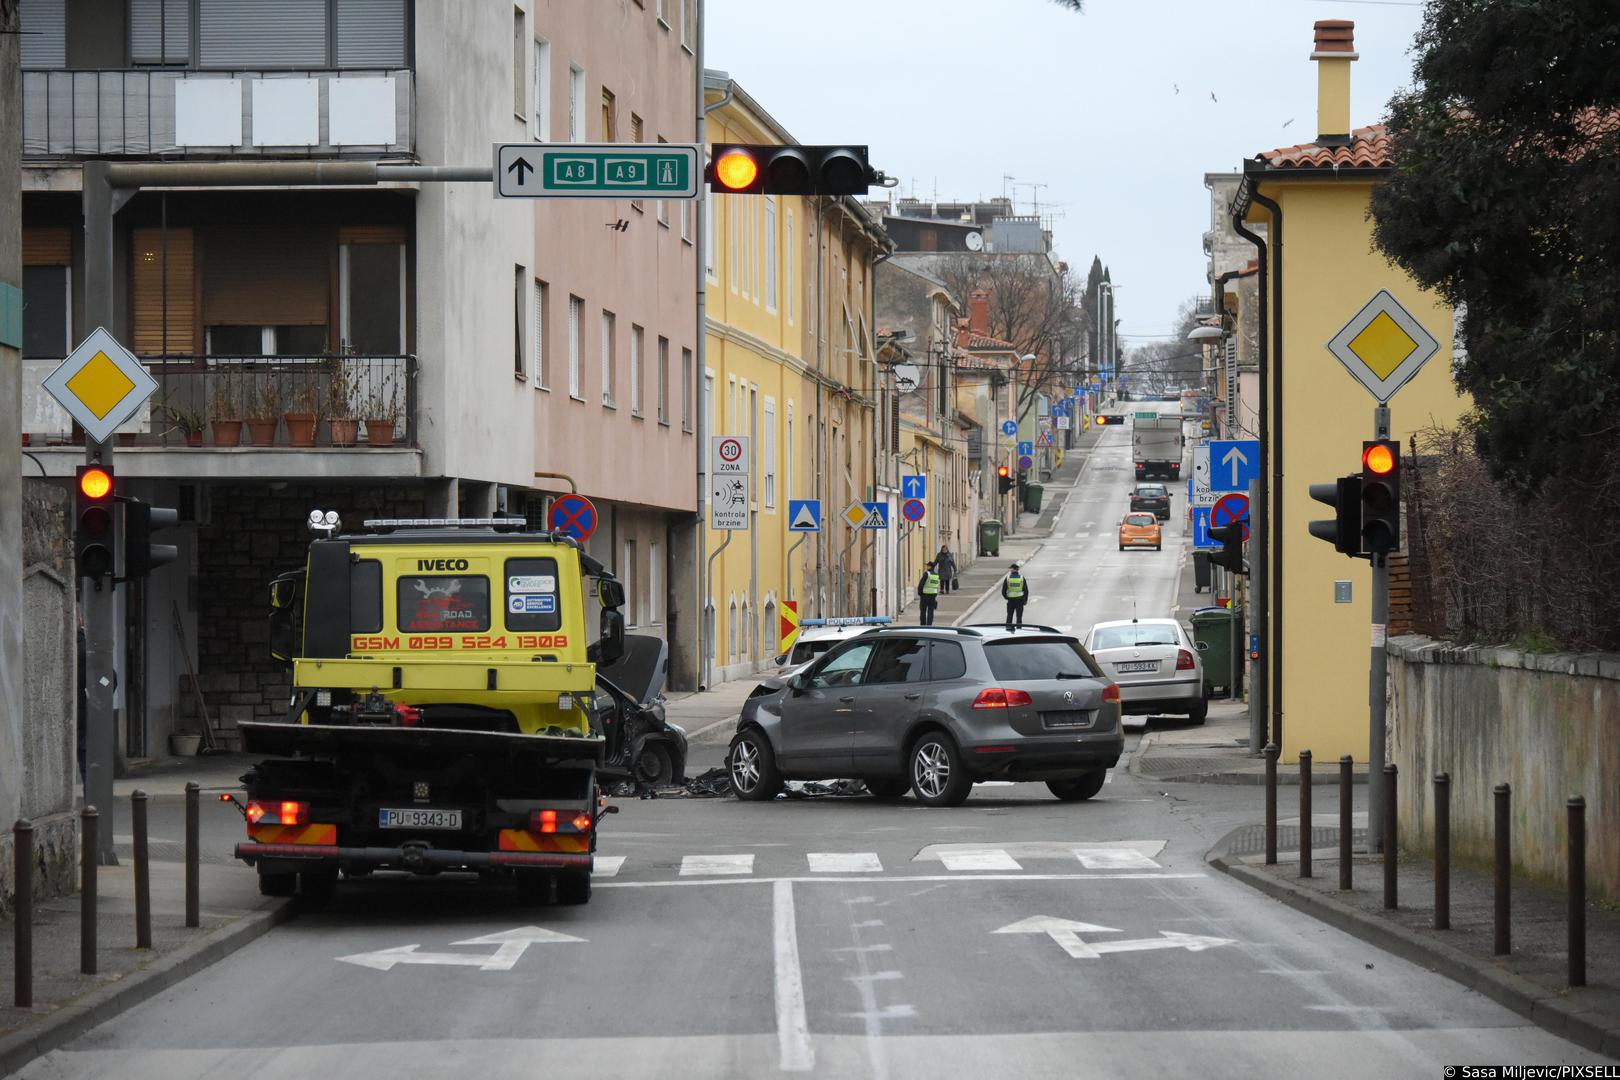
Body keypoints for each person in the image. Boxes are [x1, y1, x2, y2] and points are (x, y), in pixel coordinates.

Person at [1002, 563, 1029, 630]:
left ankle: (1008, 629)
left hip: (1011, 600)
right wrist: (1025, 600)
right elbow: (1026, 590)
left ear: (1013, 569)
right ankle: (1019, 630)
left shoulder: (1008, 578)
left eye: (1011, 568)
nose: (1010, 569)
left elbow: (1003, 591)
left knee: (1009, 616)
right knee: (1019, 617)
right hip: (1020, 600)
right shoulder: (1022, 578)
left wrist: (1007, 597)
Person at [917, 561, 942, 626]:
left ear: (930, 567)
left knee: (923, 611)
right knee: (931, 612)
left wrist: (920, 593)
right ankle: (929, 625)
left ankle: (923, 625)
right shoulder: (936, 575)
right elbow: (936, 585)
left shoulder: (926, 574)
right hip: (933, 596)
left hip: (925, 595)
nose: (927, 567)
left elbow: (921, 584)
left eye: (928, 566)